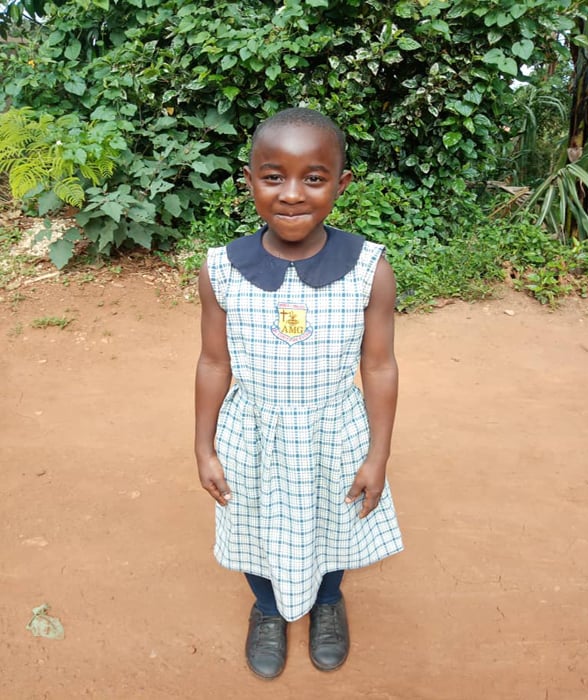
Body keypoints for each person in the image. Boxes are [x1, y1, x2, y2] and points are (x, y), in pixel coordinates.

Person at [194, 107, 403, 679]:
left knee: (336, 518)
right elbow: (213, 361)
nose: (291, 194)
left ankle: (327, 601)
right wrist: (204, 447)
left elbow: (379, 366)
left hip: (335, 428)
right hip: (251, 431)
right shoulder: (221, 268)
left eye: (313, 178)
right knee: (251, 520)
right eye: (273, 176)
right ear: (249, 180)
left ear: (341, 183)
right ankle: (267, 608)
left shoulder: (369, 267)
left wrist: (378, 454)